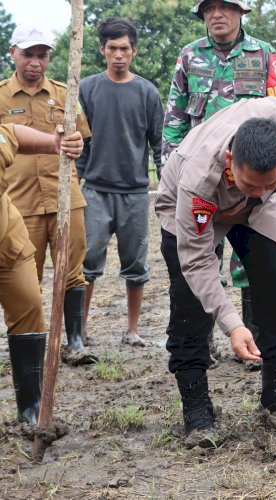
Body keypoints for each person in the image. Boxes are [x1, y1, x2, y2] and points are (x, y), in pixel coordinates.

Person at [154, 80, 276, 446]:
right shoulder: (198, 179)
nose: (262, 191)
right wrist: (231, 325)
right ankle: (197, 410)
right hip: (193, 213)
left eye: (270, 183)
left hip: (250, 215)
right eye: (251, 183)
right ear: (232, 162)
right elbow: (198, 264)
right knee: (190, 306)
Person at [163, 0, 276, 340]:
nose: (216, 14)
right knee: (200, 255)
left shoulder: (264, 54)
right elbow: (175, 119)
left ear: (241, 13)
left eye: (225, 7)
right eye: (209, 9)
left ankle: (253, 336)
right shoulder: (188, 56)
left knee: (253, 262)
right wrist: (172, 175)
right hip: (202, 178)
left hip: (251, 178)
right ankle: (204, 339)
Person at [0, 24, 93, 363]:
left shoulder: (64, 93)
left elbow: (82, 138)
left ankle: (76, 342)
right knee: (28, 274)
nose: (35, 62)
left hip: (66, 196)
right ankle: (34, 347)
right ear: (13, 53)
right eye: (28, 54)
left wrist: (77, 146)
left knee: (73, 271)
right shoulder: (0, 96)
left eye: (42, 55)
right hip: (19, 201)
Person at [77, 18, 164, 347]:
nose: (118, 54)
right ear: (102, 50)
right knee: (86, 263)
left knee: (136, 263)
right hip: (95, 191)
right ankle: (79, 329)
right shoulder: (87, 89)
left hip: (135, 193)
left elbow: (159, 143)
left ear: (134, 51)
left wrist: (164, 187)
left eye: (124, 48)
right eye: (111, 48)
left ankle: (132, 329)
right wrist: (75, 183)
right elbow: (80, 143)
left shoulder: (146, 92)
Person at [0, 123, 83, 424]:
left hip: (7, 243)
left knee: (29, 309)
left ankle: (31, 410)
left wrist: (54, 143)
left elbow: (12, 133)